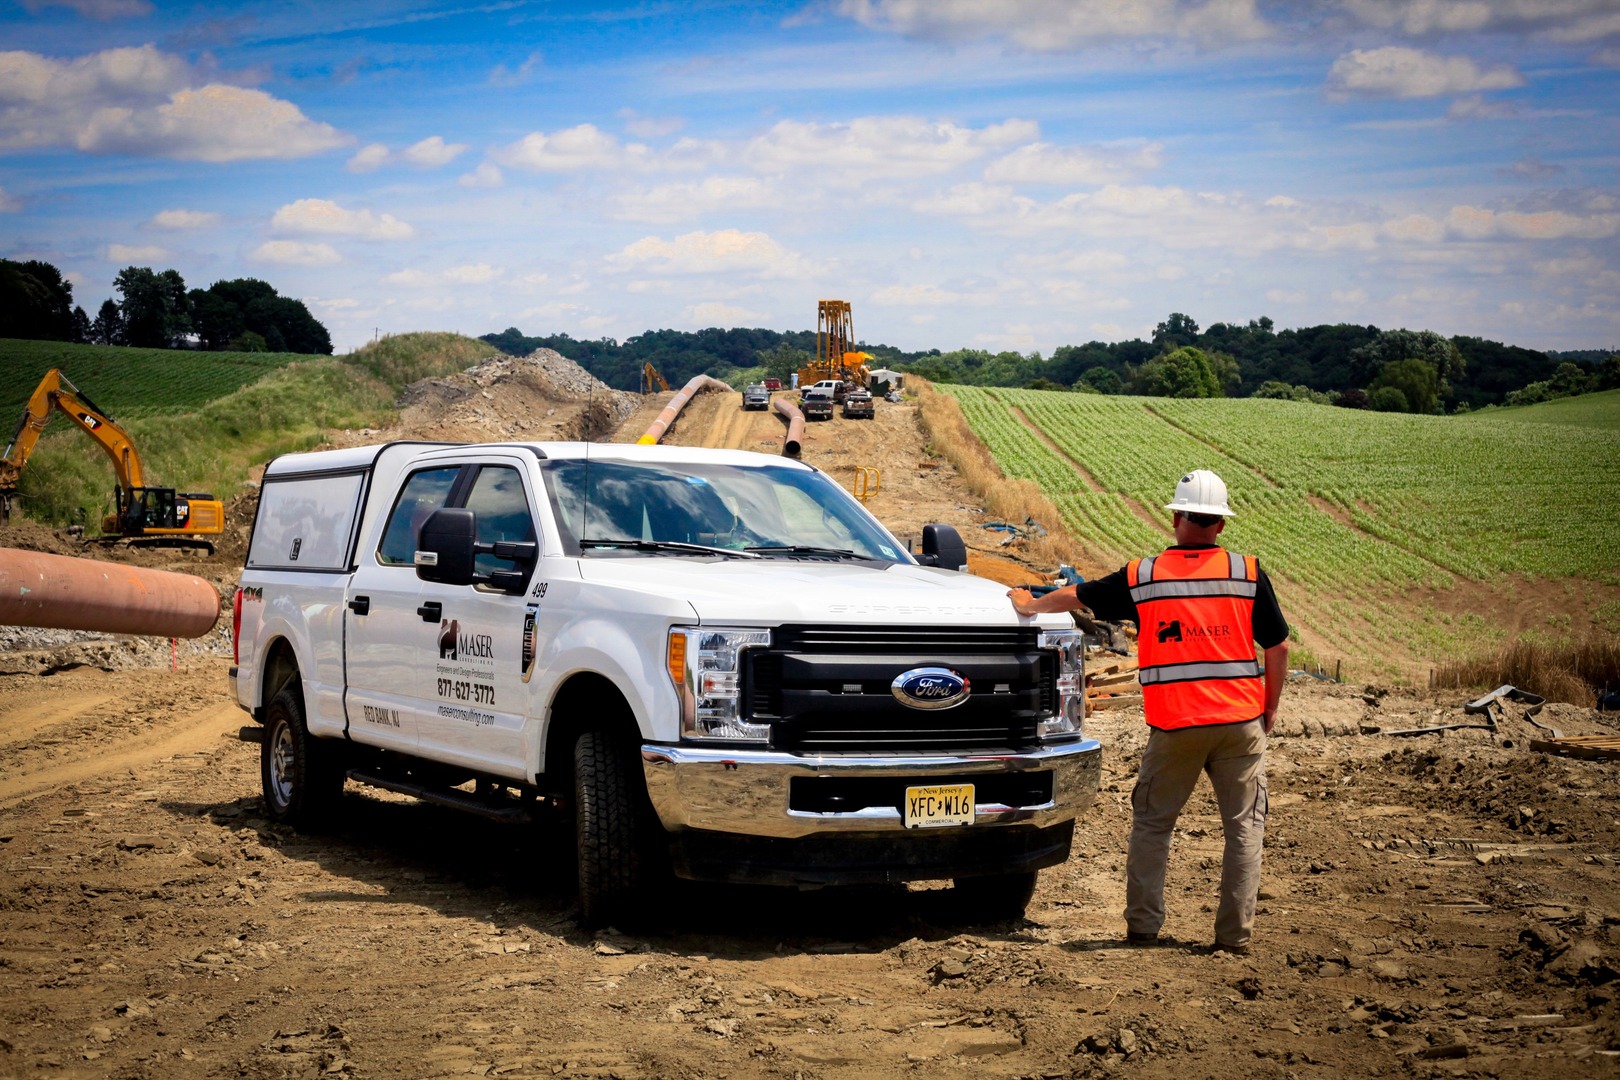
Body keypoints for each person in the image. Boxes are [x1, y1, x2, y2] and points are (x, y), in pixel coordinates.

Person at [1008, 469, 1288, 955]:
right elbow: (1278, 645)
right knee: (1244, 829)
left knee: (1154, 825)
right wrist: (1269, 709)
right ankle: (1233, 939)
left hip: (1176, 725)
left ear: (1176, 518)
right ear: (1221, 524)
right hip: (1240, 721)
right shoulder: (1247, 573)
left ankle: (1143, 928)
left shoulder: (1144, 576)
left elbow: (1077, 596)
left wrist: (1030, 605)